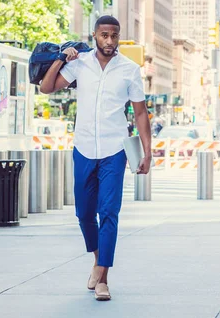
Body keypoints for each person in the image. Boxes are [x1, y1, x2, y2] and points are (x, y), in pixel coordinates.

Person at [40, 16, 151, 301]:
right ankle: (97, 259)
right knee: (85, 214)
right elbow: (47, 88)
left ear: (119, 37)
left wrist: (147, 152)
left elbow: (140, 113)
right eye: (104, 35)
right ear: (95, 36)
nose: (110, 41)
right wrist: (60, 59)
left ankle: (103, 278)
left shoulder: (130, 70)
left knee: (109, 213)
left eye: (114, 35)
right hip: (84, 148)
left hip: (115, 150)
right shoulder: (80, 64)